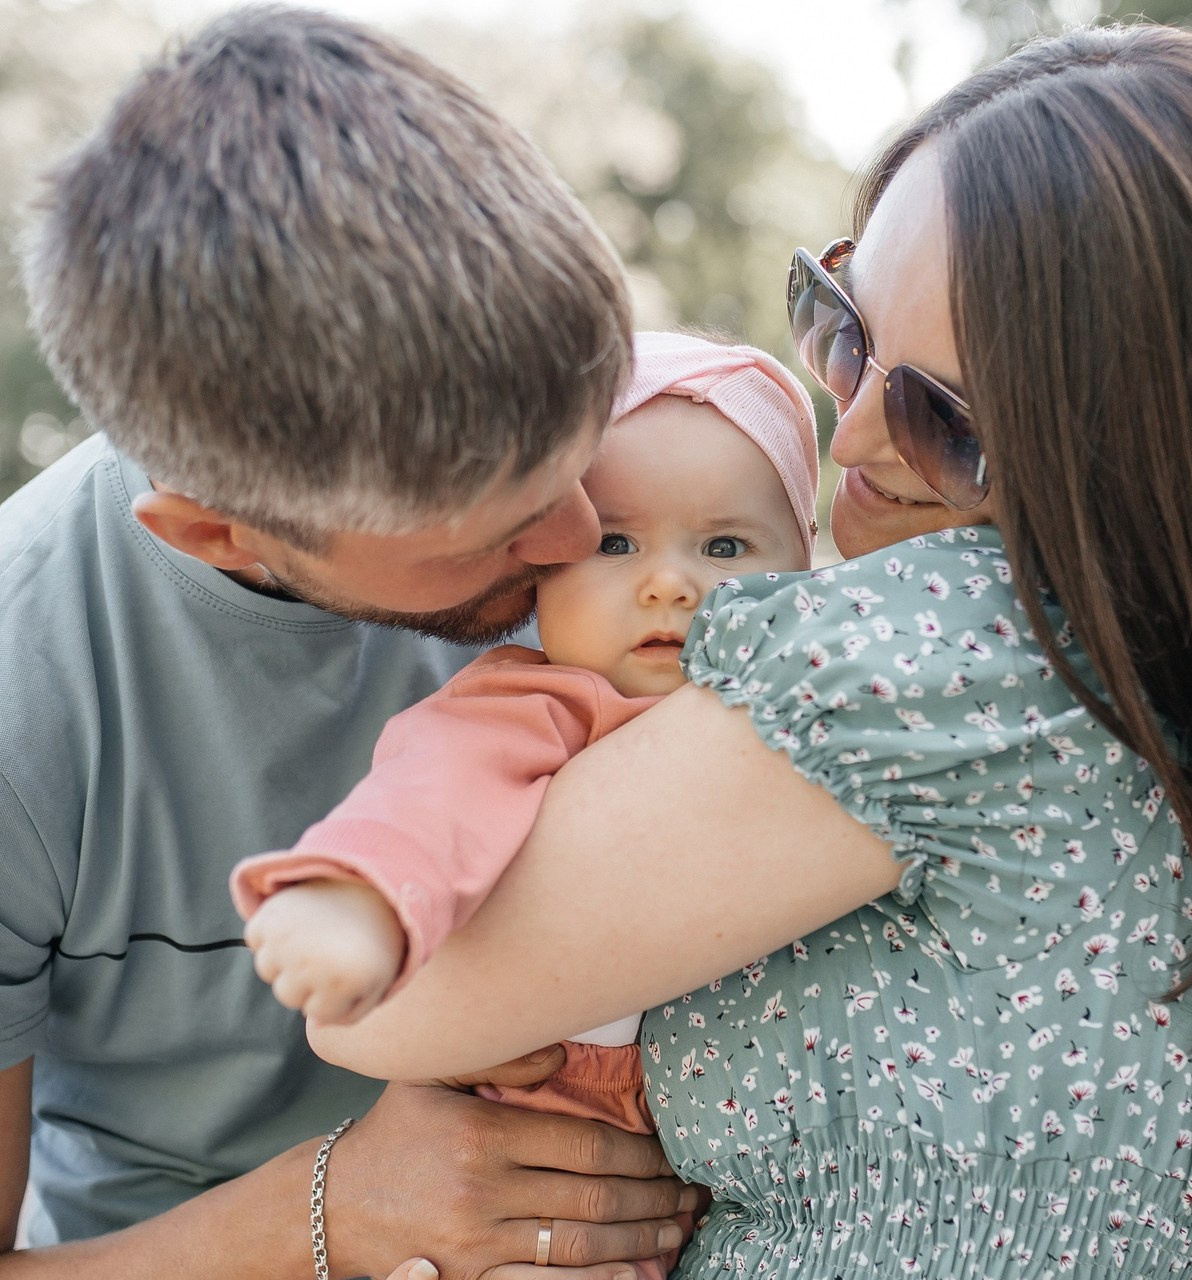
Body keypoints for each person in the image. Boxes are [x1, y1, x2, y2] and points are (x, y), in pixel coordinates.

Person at [307, 22, 1192, 1280]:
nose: (849, 434)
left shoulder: (939, 648)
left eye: (945, 422)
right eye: (840, 328)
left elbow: (381, 998)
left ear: (1131, 444)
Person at [0, 7, 696, 1277]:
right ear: (218, 534)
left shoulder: (627, 491)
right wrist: (330, 1210)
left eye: (580, 449)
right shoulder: (21, 696)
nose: (585, 537)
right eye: (496, 530)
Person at [230, 332, 819, 1280]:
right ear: (542, 575)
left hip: (746, 1145)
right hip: (554, 1106)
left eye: (725, 546)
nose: (669, 582)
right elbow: (431, 798)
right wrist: (363, 899)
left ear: (805, 568)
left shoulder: (814, 716)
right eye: (616, 542)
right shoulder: (539, 704)